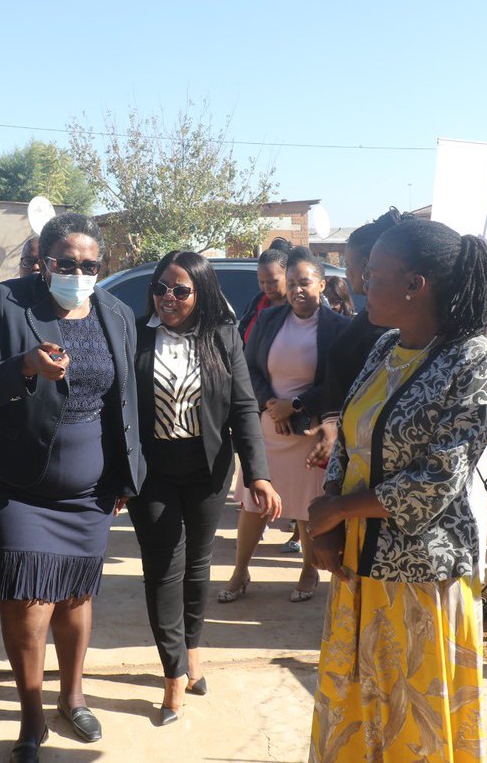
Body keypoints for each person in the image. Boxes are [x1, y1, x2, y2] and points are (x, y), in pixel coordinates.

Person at [306, 218, 487, 760]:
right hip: (357, 568)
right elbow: (348, 439)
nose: (361, 284)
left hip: (419, 577)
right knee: (357, 716)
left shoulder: (473, 360)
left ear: (415, 284)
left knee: (411, 729)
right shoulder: (385, 347)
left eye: (372, 273)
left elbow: (439, 479)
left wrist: (338, 509)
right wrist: (326, 521)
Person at [0, 213, 144, 763]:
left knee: (75, 594)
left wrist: (123, 474)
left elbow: (124, 403)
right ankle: (31, 718)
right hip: (16, 481)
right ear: (44, 261)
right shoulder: (6, 302)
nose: (79, 273)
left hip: (88, 488)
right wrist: (23, 366)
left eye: (90, 265)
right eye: (67, 263)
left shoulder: (115, 312)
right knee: (28, 598)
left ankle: (73, 697)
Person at [130, 250, 281, 725]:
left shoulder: (221, 337)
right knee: (162, 569)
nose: (168, 298)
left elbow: (242, 408)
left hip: (207, 469)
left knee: (197, 566)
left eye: (180, 290)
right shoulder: (136, 335)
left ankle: (193, 651)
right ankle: (173, 671)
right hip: (151, 473)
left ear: (201, 293)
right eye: (160, 288)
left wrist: (257, 473)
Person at [219, 246, 350, 603]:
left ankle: (308, 571)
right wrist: (270, 406)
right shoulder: (268, 320)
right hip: (267, 428)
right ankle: (240, 570)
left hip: (308, 431)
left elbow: (339, 383)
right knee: (252, 502)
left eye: (305, 283)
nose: (297, 290)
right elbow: (248, 369)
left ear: (321, 285)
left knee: (308, 506)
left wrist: (293, 406)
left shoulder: (339, 328)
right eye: (291, 283)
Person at [305, 208, 403, 471]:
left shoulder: (387, 326)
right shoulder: (367, 317)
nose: (346, 273)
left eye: (348, 265)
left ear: (367, 265)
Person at [238, 237, 292, 343]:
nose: (266, 288)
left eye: (272, 282)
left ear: (288, 274)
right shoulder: (256, 303)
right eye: (261, 282)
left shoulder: (301, 305)